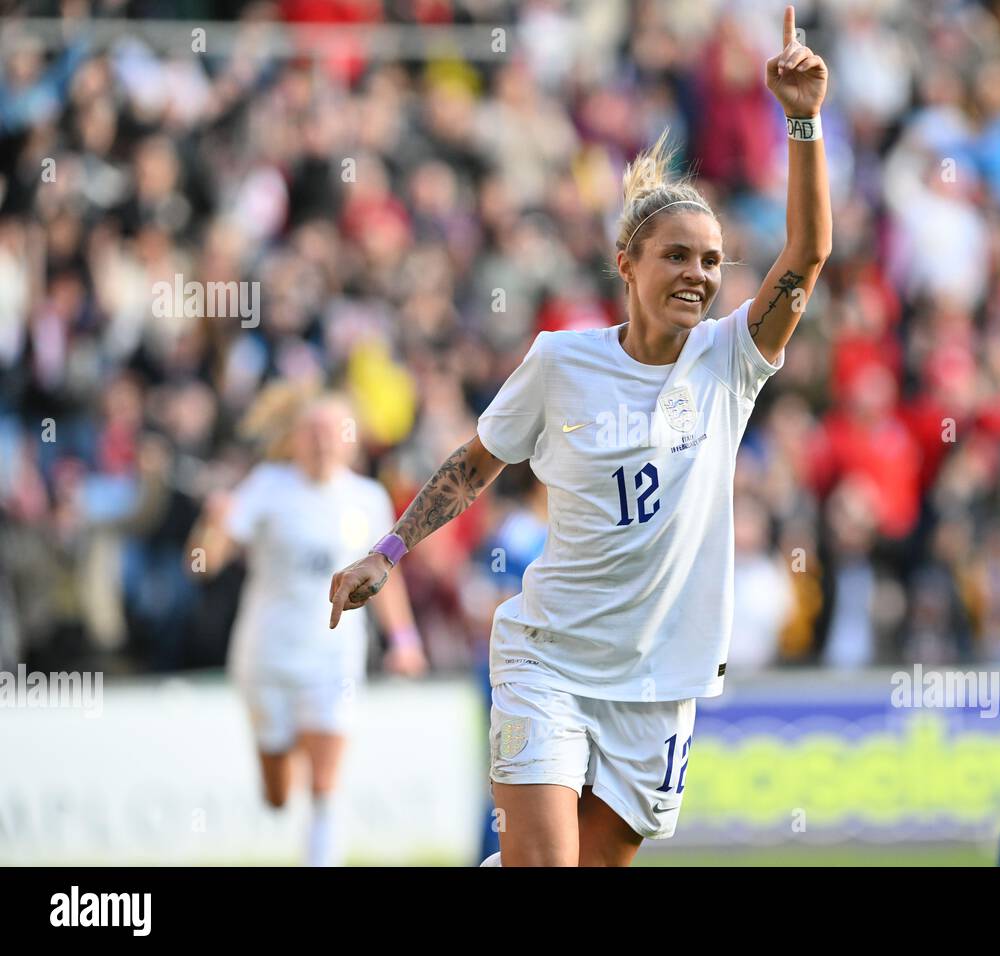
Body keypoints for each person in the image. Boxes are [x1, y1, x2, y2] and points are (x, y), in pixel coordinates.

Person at [328, 4, 831, 867]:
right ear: (627, 264)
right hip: (547, 658)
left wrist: (802, 118)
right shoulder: (561, 362)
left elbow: (810, 253)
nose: (699, 276)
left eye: (711, 261)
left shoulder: (730, 363)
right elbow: (476, 463)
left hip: (660, 683)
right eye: (677, 255)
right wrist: (389, 549)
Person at [188, 383, 426, 866]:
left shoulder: (367, 499)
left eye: (334, 431)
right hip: (268, 657)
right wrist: (212, 523)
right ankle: (282, 753)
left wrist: (404, 639)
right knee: (278, 795)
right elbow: (205, 563)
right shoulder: (266, 487)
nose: (322, 441)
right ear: (295, 438)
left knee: (324, 782)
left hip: (333, 657)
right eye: (313, 431)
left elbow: (386, 580)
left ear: (351, 440)